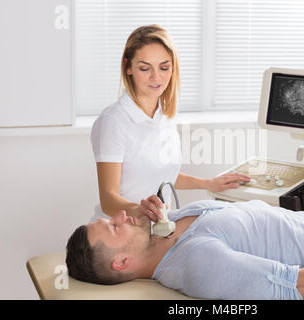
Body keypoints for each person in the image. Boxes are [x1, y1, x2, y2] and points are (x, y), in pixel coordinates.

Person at [66, 199, 304, 300]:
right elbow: (292, 285)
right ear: (122, 262)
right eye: (113, 226)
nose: (120, 215)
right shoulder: (198, 265)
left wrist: (161, 217)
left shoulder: (164, 230)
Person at [90, 24, 249, 223]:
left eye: (164, 67)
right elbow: (108, 200)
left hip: (155, 231)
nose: (156, 77)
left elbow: (160, 173)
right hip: (120, 232)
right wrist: (142, 210)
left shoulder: (164, 115)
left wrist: (208, 184)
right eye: (145, 68)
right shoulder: (113, 121)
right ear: (128, 67)